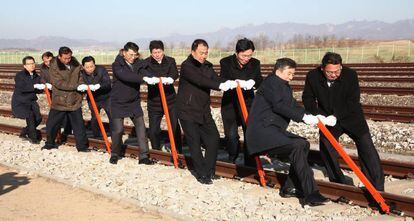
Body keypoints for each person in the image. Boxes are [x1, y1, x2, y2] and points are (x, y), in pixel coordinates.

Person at [246, 58, 329, 206]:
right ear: (279, 70)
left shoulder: (283, 86)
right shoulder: (271, 83)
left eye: (293, 74)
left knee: (303, 144)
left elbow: (292, 106)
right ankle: (311, 194)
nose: (291, 77)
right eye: (289, 73)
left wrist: (311, 116)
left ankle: (289, 187)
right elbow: (279, 106)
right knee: (298, 144)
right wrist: (303, 117)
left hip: (272, 130)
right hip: (261, 133)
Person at [302, 52, 385, 191]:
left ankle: (376, 184)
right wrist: (318, 116)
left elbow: (353, 101)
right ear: (323, 69)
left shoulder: (350, 75)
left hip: (351, 117)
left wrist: (337, 116)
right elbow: (308, 98)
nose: (334, 75)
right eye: (330, 72)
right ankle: (338, 181)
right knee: (327, 147)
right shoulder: (312, 76)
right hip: (328, 119)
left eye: (337, 71)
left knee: (367, 148)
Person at [176, 39, 237, 184]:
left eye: (206, 53)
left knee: (213, 139)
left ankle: (209, 170)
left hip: (203, 110)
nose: (204, 56)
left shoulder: (208, 66)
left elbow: (215, 78)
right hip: (187, 111)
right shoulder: (187, 66)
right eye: (201, 53)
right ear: (193, 52)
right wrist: (220, 86)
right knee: (194, 143)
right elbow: (201, 80)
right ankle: (202, 174)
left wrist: (233, 82)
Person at [109, 42, 154, 165]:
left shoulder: (138, 63)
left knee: (141, 129)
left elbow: (145, 70)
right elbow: (126, 76)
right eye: (130, 54)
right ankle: (115, 153)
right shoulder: (117, 64)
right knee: (118, 130)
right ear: (124, 52)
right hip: (118, 102)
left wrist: (152, 77)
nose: (133, 57)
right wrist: (143, 78)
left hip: (133, 101)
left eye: (135, 55)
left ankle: (144, 156)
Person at [220, 38, 263, 165]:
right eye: (244, 55)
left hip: (248, 102)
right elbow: (223, 78)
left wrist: (253, 83)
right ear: (237, 52)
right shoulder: (226, 62)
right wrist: (234, 83)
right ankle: (233, 157)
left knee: (249, 131)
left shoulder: (255, 63)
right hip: (230, 102)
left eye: (249, 55)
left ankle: (250, 161)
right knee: (231, 135)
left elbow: (259, 79)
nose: (246, 58)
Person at [41, 46, 89, 152]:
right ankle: (49, 143)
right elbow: (58, 83)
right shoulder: (54, 66)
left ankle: (82, 147)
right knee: (52, 124)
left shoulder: (75, 64)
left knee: (79, 125)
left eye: (69, 58)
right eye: (65, 58)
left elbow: (81, 77)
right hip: (60, 100)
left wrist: (81, 85)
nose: (68, 60)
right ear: (59, 57)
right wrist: (76, 86)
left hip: (74, 100)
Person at [143, 40, 182, 153]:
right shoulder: (146, 63)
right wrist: (147, 78)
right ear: (151, 53)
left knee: (175, 127)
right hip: (154, 102)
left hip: (170, 101)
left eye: (159, 52)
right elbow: (141, 72)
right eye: (154, 52)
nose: (157, 55)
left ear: (163, 51)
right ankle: (156, 151)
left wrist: (170, 79)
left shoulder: (170, 61)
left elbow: (175, 73)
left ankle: (178, 150)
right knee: (154, 130)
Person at [11, 56, 43, 144]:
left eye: (33, 63)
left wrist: (44, 87)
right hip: (21, 101)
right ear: (24, 66)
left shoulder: (36, 76)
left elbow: (38, 90)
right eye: (29, 64)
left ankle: (24, 132)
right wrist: (34, 86)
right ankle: (33, 138)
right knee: (30, 115)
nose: (32, 65)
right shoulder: (20, 75)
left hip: (32, 101)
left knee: (39, 118)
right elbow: (22, 88)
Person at [81, 56, 112, 138]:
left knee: (112, 115)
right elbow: (79, 85)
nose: (90, 69)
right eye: (87, 67)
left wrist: (99, 86)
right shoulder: (81, 74)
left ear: (94, 65)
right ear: (83, 67)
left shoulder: (101, 70)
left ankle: (114, 134)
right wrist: (82, 88)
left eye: (91, 66)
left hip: (106, 97)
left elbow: (108, 83)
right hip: (93, 99)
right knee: (95, 117)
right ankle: (96, 136)